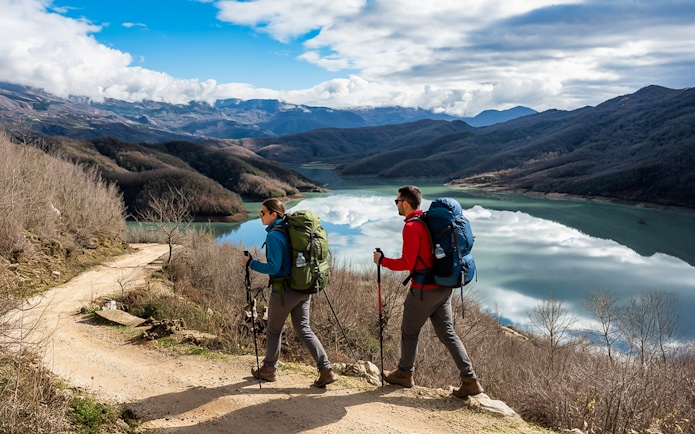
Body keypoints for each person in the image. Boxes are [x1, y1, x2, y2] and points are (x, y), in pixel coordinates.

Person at [373, 185, 484, 398]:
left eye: (397, 201)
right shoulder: (426, 220)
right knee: (448, 334)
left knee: (409, 332)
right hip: (444, 288)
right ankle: (470, 379)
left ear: (405, 203)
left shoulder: (412, 227)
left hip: (424, 291)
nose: (396, 205)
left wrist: (382, 261)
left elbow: (408, 262)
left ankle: (405, 374)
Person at [242, 198, 338, 388]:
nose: (260, 216)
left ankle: (269, 369)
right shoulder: (290, 229)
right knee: (304, 329)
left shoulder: (274, 236)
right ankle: (326, 369)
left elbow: (273, 267)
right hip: (303, 288)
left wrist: (250, 263)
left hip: (284, 292)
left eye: (263, 213)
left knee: (273, 329)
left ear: (273, 214)